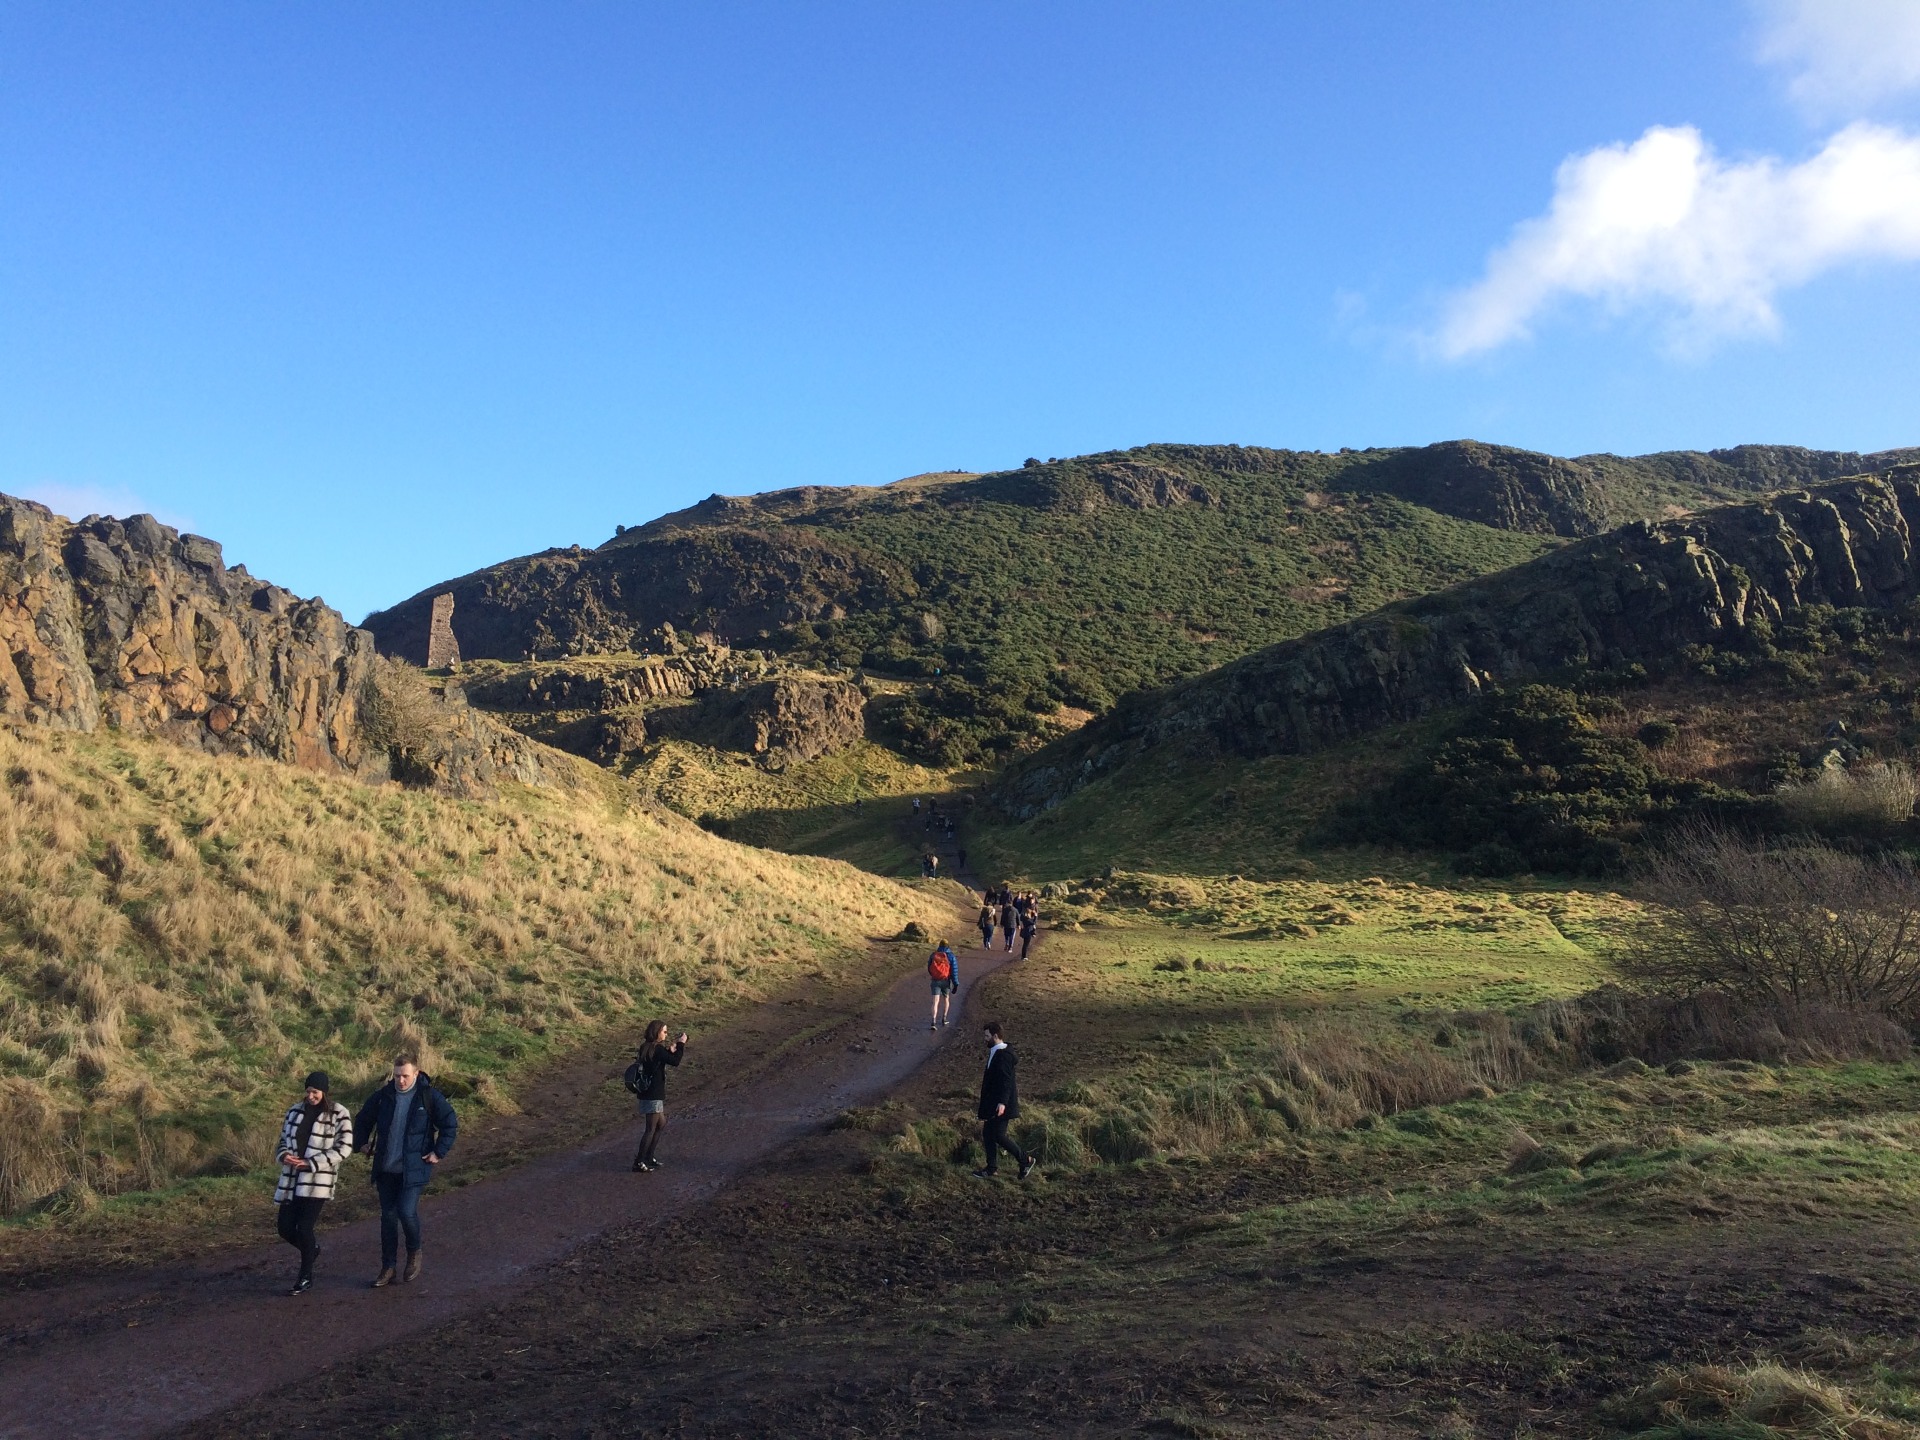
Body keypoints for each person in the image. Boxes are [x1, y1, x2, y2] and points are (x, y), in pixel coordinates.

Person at [353, 1053, 458, 1288]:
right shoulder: (383, 1097)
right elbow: (362, 1119)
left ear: (416, 1074)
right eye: (397, 1076)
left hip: (414, 1169)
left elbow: (450, 1123)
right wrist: (361, 1143)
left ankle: (414, 1253)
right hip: (386, 1168)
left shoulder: (428, 1097)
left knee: (406, 1212)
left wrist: (438, 1152)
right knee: (388, 1217)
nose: (400, 1081)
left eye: (405, 1076)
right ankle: (388, 1267)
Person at [273, 1070, 353, 1296]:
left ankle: (305, 1277)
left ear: (324, 1092)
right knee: (285, 1228)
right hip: (291, 1179)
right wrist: (284, 1156)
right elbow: (282, 1141)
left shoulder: (339, 1113)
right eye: (308, 1091)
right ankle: (312, 1250)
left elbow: (344, 1148)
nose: (310, 1096)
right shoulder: (294, 1111)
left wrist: (312, 1164)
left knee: (305, 1227)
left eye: (315, 1092)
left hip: (318, 1180)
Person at [974, 1021, 1034, 1180]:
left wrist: (1002, 1103)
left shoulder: (1003, 1056)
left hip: (1001, 1105)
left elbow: (1006, 1081)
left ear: (995, 1036)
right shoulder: (997, 1051)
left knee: (998, 1135)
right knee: (988, 1133)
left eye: (987, 1036)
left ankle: (1025, 1160)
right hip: (995, 1103)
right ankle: (991, 1168)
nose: (984, 1039)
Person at [631, 1020, 688, 1172]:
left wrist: (669, 1051)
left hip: (647, 1092)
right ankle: (639, 1161)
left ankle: (648, 1158)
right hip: (653, 1094)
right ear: (657, 1032)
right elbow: (675, 1062)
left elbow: (658, 1062)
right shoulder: (657, 1049)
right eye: (664, 1031)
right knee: (651, 1128)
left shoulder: (647, 1047)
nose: (666, 1034)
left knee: (660, 1124)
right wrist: (681, 1044)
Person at [928, 941, 959, 1029]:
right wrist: (955, 984)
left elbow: (929, 968)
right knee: (946, 999)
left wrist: (934, 975)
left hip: (935, 980)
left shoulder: (933, 955)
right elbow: (954, 971)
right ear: (948, 946)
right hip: (946, 981)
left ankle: (933, 1022)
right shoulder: (951, 956)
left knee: (935, 1001)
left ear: (939, 945)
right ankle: (944, 1019)